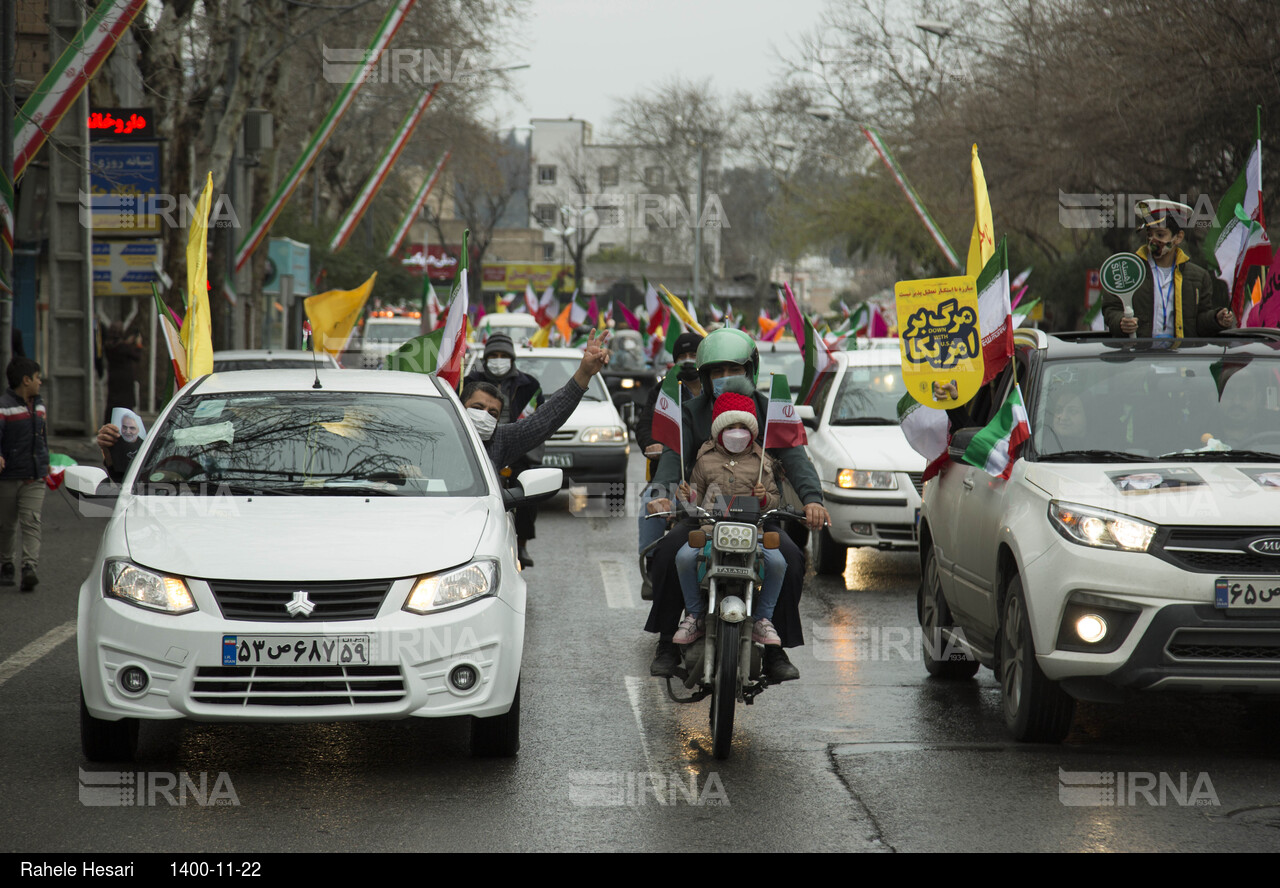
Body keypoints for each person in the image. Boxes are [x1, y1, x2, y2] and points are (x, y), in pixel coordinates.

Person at [644, 327, 831, 682]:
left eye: (732, 369)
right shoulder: (689, 412)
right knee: (668, 553)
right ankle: (668, 642)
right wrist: (662, 494)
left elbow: (797, 460)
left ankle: (775, 647)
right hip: (704, 517)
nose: (724, 378)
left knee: (791, 559)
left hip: (757, 518)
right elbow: (673, 456)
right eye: (715, 371)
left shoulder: (770, 411)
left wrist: (813, 501)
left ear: (751, 371)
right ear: (703, 376)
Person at [672, 392, 787, 647]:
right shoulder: (705, 460)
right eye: (730, 427)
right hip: (711, 532)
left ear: (752, 430)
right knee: (683, 557)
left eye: (742, 427)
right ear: (719, 430)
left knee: (778, 563)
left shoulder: (762, 463)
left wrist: (764, 497)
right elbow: (694, 502)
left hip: (752, 534)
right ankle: (695, 615)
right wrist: (686, 496)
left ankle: (763, 619)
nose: (737, 432)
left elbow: (776, 499)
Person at [462, 330, 611, 471]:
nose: (484, 416)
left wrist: (584, 373)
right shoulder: (441, 436)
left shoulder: (500, 441)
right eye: (477, 408)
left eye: (493, 413)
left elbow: (547, 416)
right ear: (460, 407)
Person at [464, 333, 545, 567]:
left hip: (517, 445)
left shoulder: (530, 384)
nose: (498, 360)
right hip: (482, 445)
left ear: (512, 358)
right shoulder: (469, 381)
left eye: (503, 356)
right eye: (494, 356)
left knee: (528, 490)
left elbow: (539, 419)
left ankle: (522, 544)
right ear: (486, 358)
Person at [1102, 199, 1233, 338]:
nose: (1153, 240)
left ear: (1178, 237)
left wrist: (1216, 319)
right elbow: (1111, 309)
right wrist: (1121, 322)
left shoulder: (1199, 277)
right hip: (1139, 355)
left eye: (1160, 234)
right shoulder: (1129, 269)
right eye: (1149, 234)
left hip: (1179, 356)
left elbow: (1198, 322)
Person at [635, 330, 703, 554]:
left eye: (694, 354)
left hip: (709, 475)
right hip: (670, 475)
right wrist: (651, 444)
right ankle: (651, 562)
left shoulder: (715, 391)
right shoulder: (663, 390)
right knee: (650, 503)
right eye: (682, 356)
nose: (688, 360)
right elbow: (645, 425)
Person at [0, 357, 49, 591]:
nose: (41, 382)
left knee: (32, 521)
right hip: (8, 478)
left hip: (34, 476)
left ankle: (29, 567)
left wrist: (45, 462)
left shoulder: (39, 407)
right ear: (26, 380)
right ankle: (6, 564)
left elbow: (42, 438)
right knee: (6, 525)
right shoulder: (4, 407)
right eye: (38, 377)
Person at [102, 321, 143, 425]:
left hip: (113, 378)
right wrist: (138, 344)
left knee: (112, 403)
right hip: (125, 380)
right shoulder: (124, 347)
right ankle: (124, 425)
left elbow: (120, 347)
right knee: (125, 405)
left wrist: (127, 342)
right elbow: (136, 356)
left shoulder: (108, 346)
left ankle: (108, 424)